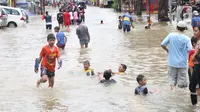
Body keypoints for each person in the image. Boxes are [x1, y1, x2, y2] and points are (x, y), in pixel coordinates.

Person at [161, 21, 192, 90]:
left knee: (172, 81)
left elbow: (162, 44)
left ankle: (172, 93)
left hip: (172, 62)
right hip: (182, 63)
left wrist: (167, 50)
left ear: (176, 28)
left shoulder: (171, 35)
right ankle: (180, 97)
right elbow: (190, 50)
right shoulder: (187, 38)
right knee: (182, 83)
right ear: (184, 29)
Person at [188, 36, 198, 106]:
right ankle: (194, 104)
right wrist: (192, 76)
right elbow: (191, 65)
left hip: (197, 70)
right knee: (193, 87)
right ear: (194, 44)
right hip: (193, 70)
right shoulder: (192, 52)